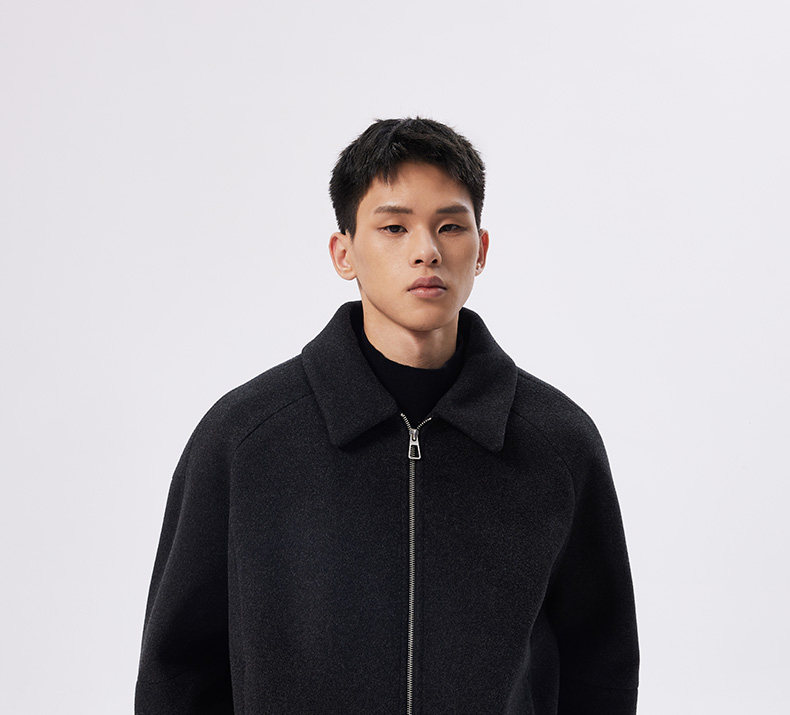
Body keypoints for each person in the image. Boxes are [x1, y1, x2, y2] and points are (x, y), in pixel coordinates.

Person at [134, 116, 640, 714]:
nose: (427, 251)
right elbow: (178, 671)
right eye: (394, 227)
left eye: (450, 226)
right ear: (343, 252)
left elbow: (600, 667)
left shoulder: (556, 443)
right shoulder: (245, 440)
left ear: (480, 250)